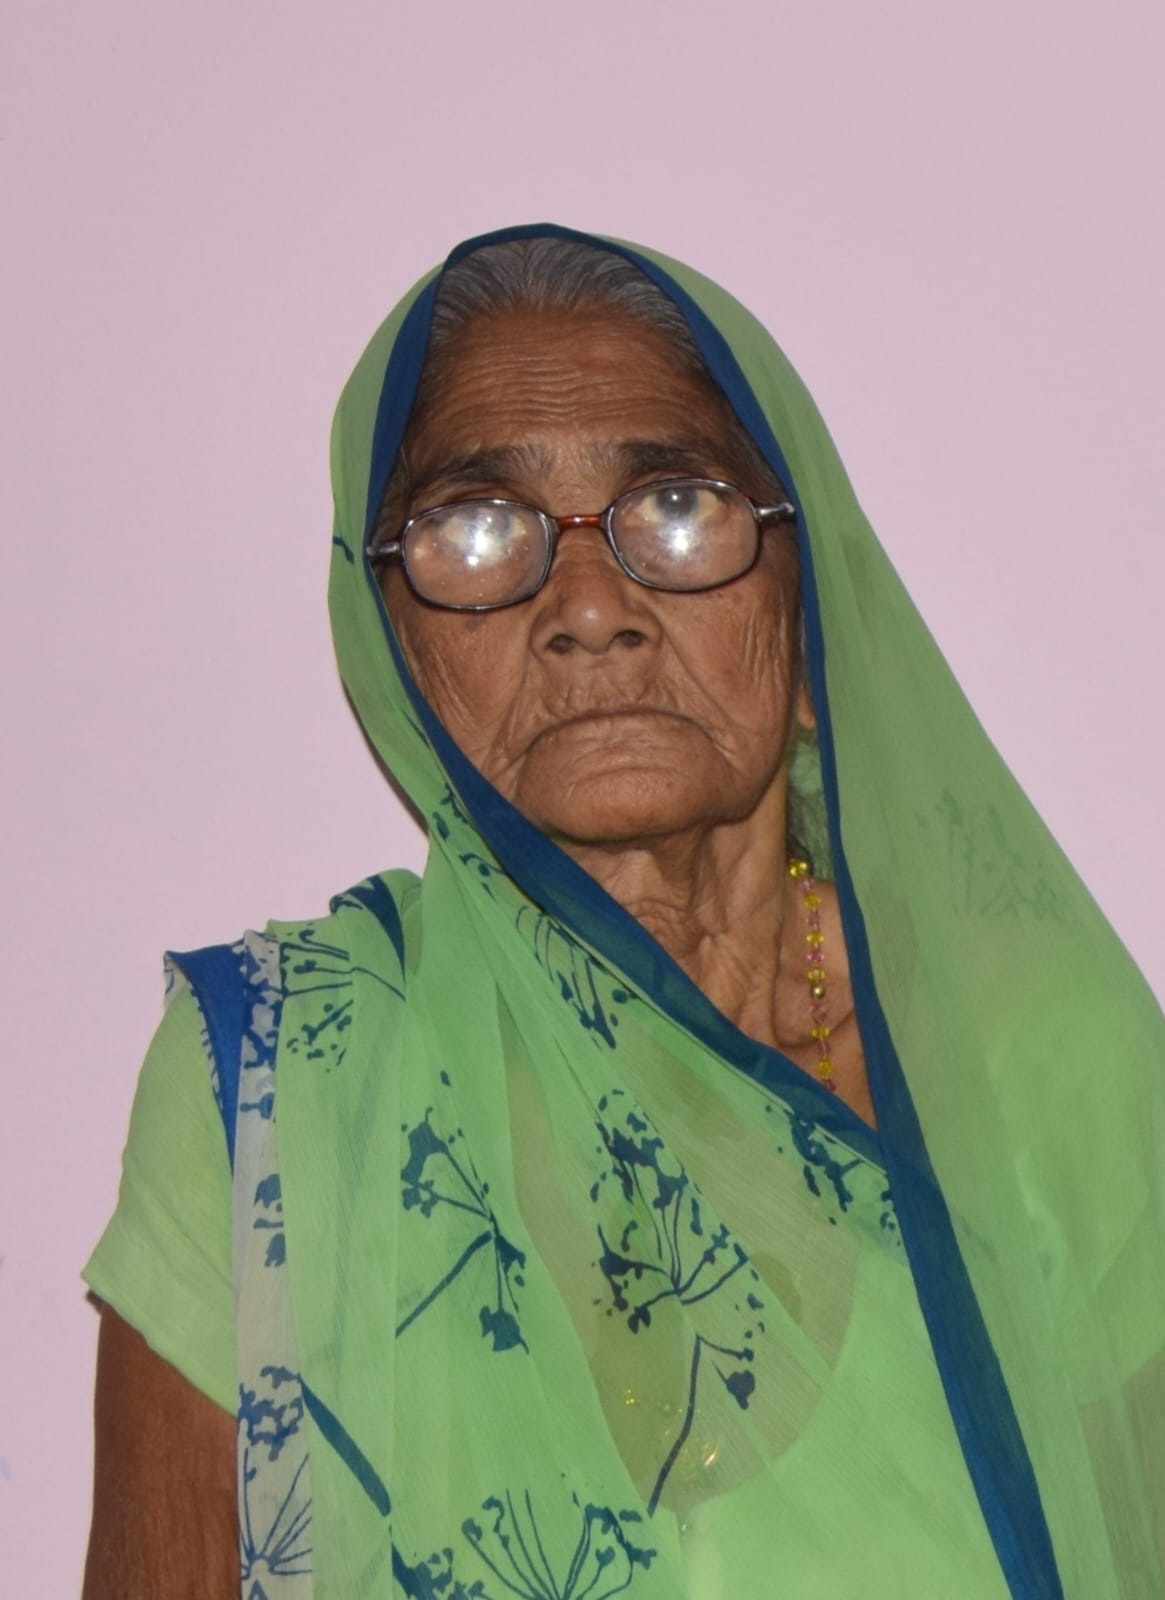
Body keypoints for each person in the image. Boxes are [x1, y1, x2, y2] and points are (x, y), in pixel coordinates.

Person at [82, 227, 1164, 1599]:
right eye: (478, 528)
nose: (589, 608)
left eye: (678, 506)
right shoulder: (273, 1090)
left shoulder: (1030, 1066)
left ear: (802, 590)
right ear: (390, 631)